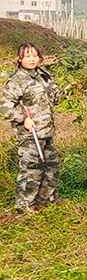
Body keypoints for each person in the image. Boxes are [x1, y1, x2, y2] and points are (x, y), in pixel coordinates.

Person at [1, 43, 61, 211]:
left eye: (34, 55)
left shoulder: (43, 75)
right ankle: (25, 205)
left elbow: (54, 97)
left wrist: (68, 90)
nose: (32, 59)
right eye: (27, 56)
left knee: (51, 166)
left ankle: (47, 200)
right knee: (31, 169)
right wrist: (22, 119)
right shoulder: (17, 80)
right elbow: (5, 107)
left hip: (46, 130)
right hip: (30, 133)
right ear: (20, 59)